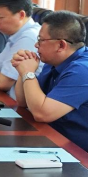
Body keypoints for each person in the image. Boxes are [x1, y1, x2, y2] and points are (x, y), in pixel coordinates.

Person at [13, 11, 88, 151]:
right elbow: (23, 101)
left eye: (41, 40)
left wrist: (28, 73)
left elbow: (42, 114)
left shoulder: (82, 70)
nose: (36, 45)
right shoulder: (54, 61)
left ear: (61, 45)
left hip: (79, 154)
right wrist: (22, 69)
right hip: (53, 139)